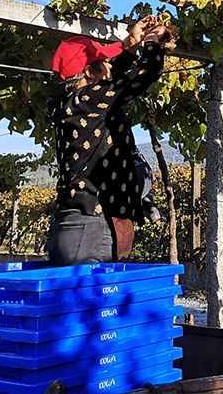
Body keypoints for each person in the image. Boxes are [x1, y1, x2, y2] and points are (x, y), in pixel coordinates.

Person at [47, 17, 171, 266]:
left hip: (72, 225)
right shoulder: (90, 100)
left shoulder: (66, 103)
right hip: (91, 228)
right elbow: (143, 75)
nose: (110, 66)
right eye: (104, 63)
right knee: (95, 305)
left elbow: (112, 85)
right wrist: (152, 42)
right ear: (89, 72)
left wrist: (130, 44)